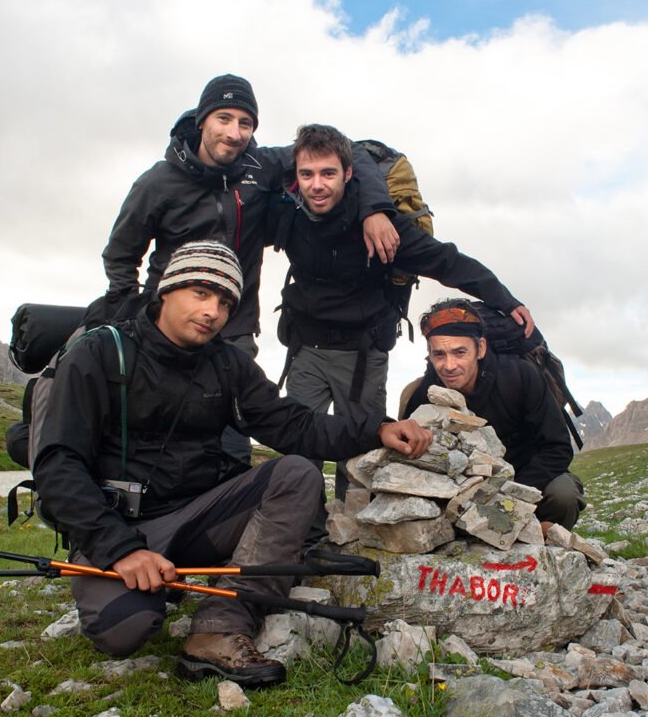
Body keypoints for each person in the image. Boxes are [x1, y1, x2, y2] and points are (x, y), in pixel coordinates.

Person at [35, 241, 432, 687]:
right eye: (201, 293)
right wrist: (120, 549)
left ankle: (220, 626)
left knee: (298, 472)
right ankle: (145, 580)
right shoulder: (99, 352)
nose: (213, 312)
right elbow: (58, 465)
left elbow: (292, 425)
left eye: (225, 302)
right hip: (118, 525)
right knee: (123, 632)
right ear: (166, 290)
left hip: (199, 519)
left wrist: (374, 428)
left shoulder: (228, 363)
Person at [100, 75, 400, 466]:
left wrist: (376, 208)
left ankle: (227, 515)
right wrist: (137, 317)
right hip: (165, 332)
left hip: (233, 331)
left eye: (246, 123)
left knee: (231, 440)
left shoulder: (263, 166)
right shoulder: (158, 183)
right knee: (160, 432)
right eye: (224, 118)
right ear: (202, 120)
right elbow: (120, 256)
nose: (234, 132)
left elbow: (350, 153)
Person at [272, 123, 535, 499]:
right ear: (295, 177)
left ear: (348, 174)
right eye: (308, 174)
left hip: (363, 354)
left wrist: (507, 301)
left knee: (360, 454)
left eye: (328, 173)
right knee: (300, 446)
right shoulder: (286, 213)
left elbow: (448, 262)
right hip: (306, 350)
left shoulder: (383, 229)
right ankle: (301, 536)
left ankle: (352, 538)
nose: (317, 185)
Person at [402, 299, 586, 531]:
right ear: (429, 353)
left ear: (481, 348)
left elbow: (557, 448)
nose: (449, 365)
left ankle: (546, 548)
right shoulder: (423, 395)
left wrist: (507, 493)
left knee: (564, 494)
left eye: (460, 352)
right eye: (439, 354)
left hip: (527, 480)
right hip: (462, 493)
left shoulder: (520, 376)